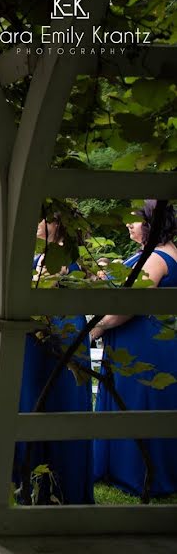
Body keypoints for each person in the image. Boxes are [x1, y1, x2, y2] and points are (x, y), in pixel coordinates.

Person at [92, 200, 177, 497]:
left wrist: (96, 328)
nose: (128, 224)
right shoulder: (144, 254)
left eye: (135, 219)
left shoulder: (157, 257)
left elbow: (131, 305)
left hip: (146, 344)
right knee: (124, 397)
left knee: (140, 401)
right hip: (131, 340)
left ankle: (140, 473)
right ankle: (118, 468)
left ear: (152, 223)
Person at [14, 213, 93, 505]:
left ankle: (60, 485)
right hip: (38, 339)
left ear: (56, 224)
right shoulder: (41, 257)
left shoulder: (63, 259)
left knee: (60, 403)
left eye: (41, 218)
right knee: (34, 402)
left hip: (59, 336)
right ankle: (34, 481)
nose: (35, 223)